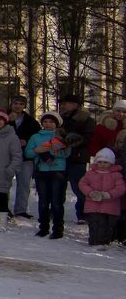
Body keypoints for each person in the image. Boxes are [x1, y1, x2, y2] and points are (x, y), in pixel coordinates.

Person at [26, 111, 70, 240]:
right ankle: (43, 227)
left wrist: (53, 152)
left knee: (57, 201)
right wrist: (37, 150)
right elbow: (28, 153)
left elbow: (67, 153)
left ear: (56, 124)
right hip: (41, 171)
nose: (48, 124)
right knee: (43, 201)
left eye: (51, 122)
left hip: (58, 171)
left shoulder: (62, 136)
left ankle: (58, 229)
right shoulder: (35, 137)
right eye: (45, 122)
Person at [58, 93, 95, 222]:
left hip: (77, 157)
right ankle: (56, 212)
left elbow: (88, 138)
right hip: (62, 157)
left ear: (74, 105)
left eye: (65, 103)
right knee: (58, 187)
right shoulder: (61, 119)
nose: (62, 106)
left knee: (79, 187)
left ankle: (83, 213)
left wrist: (70, 139)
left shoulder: (86, 119)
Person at [78, 148, 125, 249]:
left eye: (105, 162)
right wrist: (90, 192)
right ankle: (94, 242)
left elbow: (121, 188)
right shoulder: (90, 174)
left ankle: (104, 242)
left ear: (111, 163)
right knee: (94, 224)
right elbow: (82, 184)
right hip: (92, 205)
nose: (102, 164)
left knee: (107, 225)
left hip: (110, 207)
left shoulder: (116, 175)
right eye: (100, 162)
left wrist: (108, 194)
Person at [8, 95, 40, 219]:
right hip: (7, 155)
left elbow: (36, 136)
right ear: (11, 104)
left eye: (21, 104)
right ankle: (3, 208)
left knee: (24, 184)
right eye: (16, 103)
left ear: (24, 106)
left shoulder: (30, 121)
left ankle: (21, 210)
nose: (18, 106)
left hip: (25, 156)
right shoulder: (2, 117)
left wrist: (26, 141)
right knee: (4, 183)